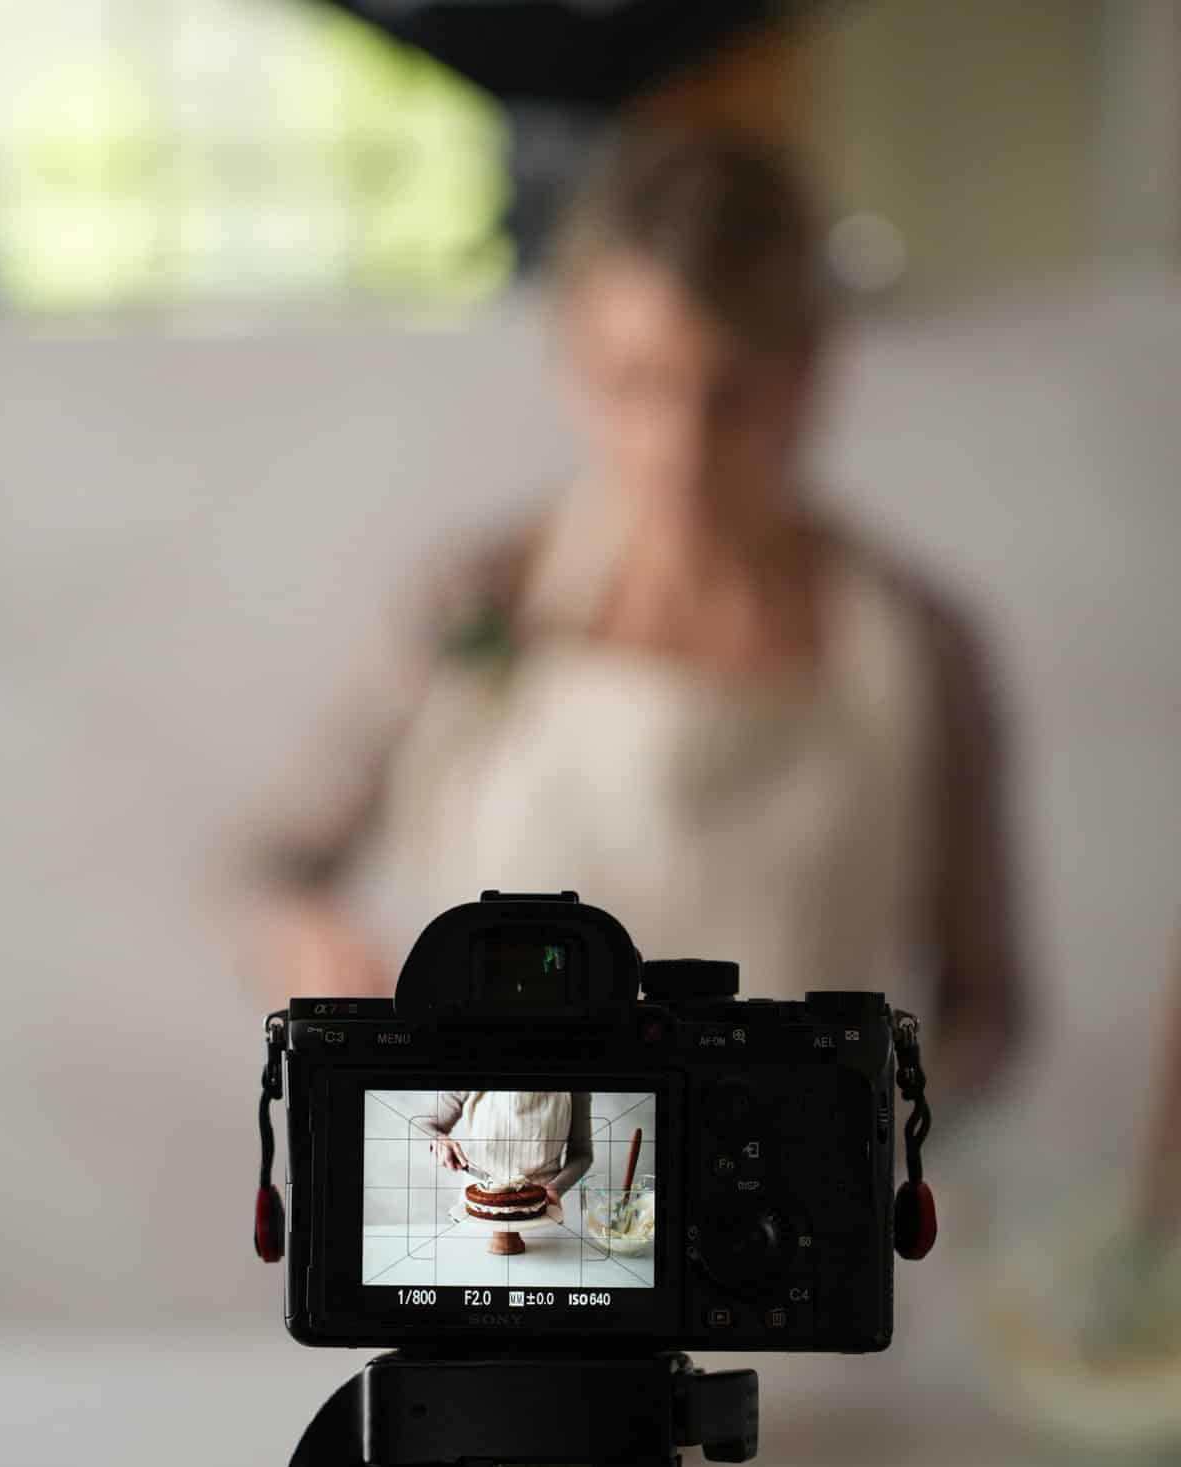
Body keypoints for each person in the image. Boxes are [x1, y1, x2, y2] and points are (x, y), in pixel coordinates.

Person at [241, 124, 1025, 1103]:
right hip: (503, 1214)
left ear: (811, 368)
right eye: (634, 384)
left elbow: (987, 1004)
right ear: (572, 356)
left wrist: (873, 1139)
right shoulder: (480, 594)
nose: (678, 449)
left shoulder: (919, 648)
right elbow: (275, 867)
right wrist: (308, 936)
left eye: (729, 397)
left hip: (779, 1232)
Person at [421, 1089, 594, 1209]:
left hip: (541, 1209)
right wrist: (438, 1140)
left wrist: (555, 1188)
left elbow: (582, 1154)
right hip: (477, 1208)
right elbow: (425, 1124)